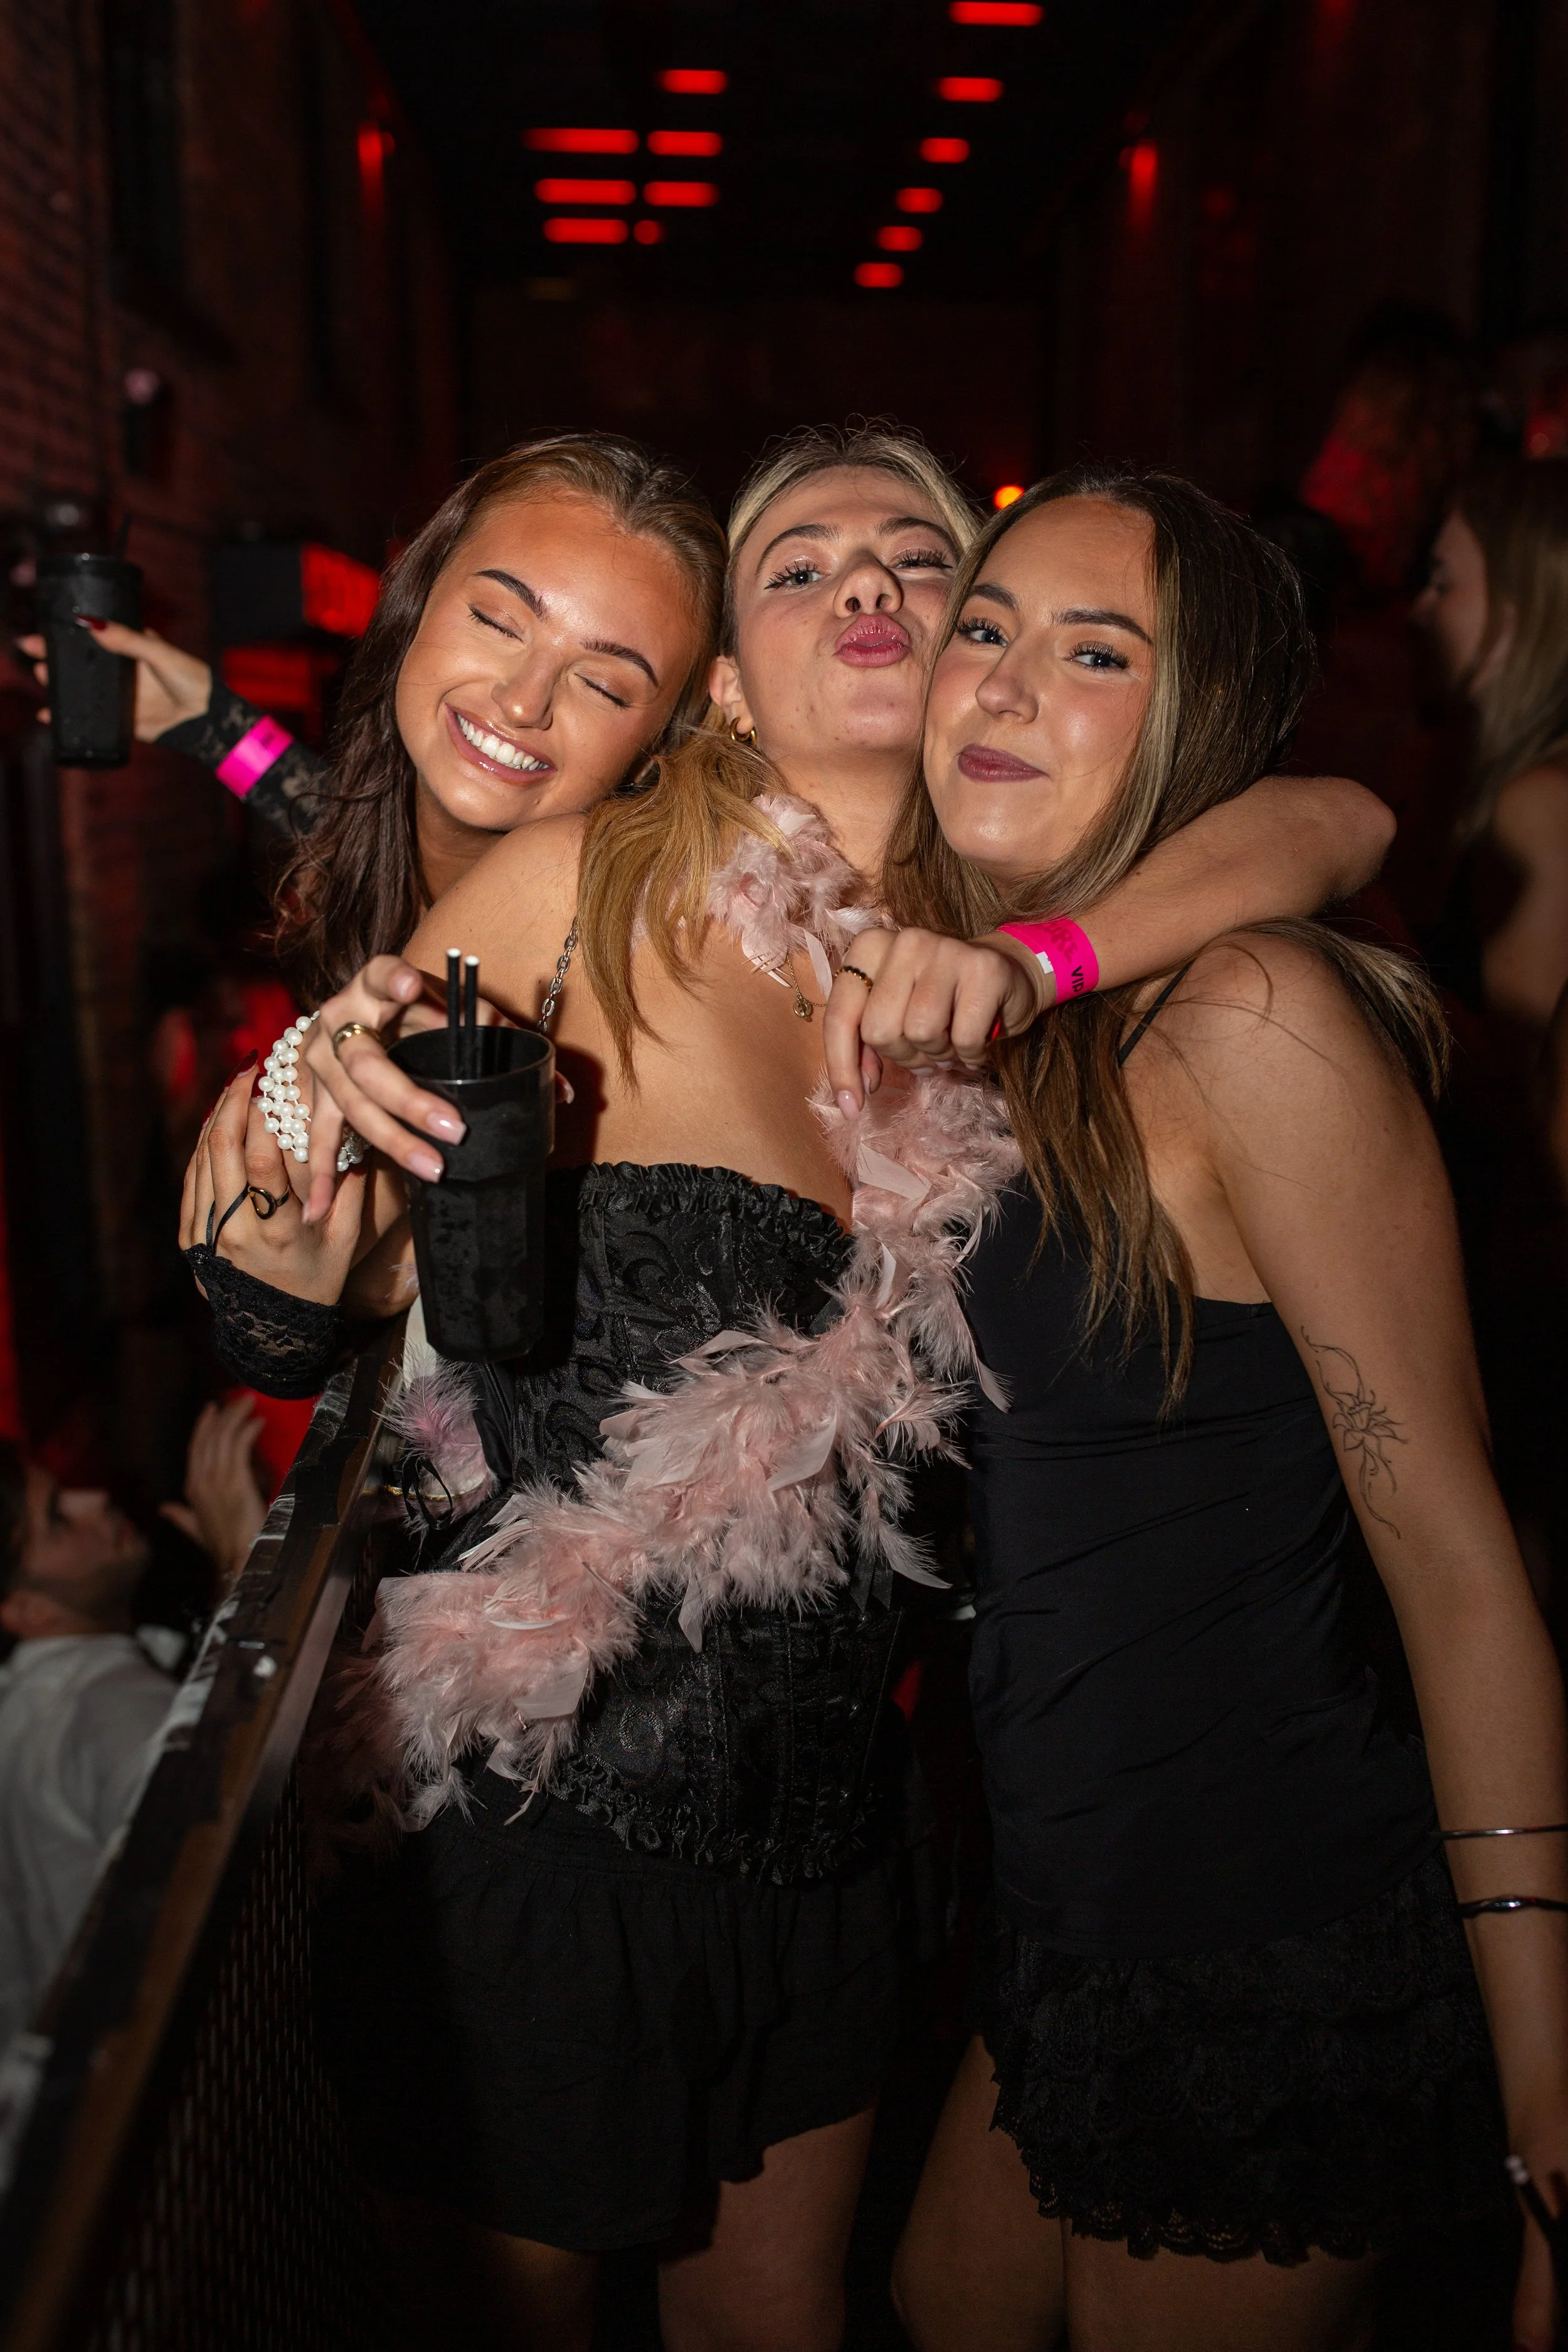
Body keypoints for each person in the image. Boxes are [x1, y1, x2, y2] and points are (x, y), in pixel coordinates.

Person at [193, 426, 1396, 2352]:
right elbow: (294, 1264)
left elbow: (1336, 815)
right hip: (533, 1822)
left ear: (969, 654)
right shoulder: (583, 885)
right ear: (732, 688)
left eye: (917, 563)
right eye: (799, 563)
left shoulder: (1010, 985)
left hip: (834, 1832)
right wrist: (281, 1127)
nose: (865, 588)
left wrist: (1037, 959)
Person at [863, 465, 1568, 2352]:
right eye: (984, 627)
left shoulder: (1248, 1014)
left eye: (1096, 651)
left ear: (1193, 720)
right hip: (1062, 1917)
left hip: (1266, 1932)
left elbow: (1455, 1560)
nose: (1007, 681)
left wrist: (1547, 2105)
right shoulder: (1006, 1019)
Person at [19, 434, 728, 1005]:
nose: (523, 701)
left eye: (602, 686)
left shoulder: (647, 963)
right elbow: (326, 813)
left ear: (657, 746)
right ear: (415, 603)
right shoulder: (373, 845)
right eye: (496, 621)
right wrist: (207, 720)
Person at [1412, 458, 1568, 1604]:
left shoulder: (1541, 802)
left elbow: (1524, 1087)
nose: (1420, 607)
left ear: (1523, 606)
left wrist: (1370, 959)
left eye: (1444, 580)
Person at [0, 1443, 172, 2054]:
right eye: (57, 1519)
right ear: (26, 1610)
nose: (94, 1499)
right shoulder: (105, 1704)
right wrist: (244, 1560)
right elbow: (222, 1843)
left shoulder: (26, 1703)